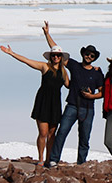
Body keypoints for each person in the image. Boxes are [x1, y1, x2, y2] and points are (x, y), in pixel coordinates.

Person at [42, 21, 104, 166]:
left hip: (88, 109)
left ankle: (81, 164)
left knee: (84, 138)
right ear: (83, 54)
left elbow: (102, 92)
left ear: (94, 57)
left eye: (92, 55)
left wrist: (92, 96)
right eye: (87, 54)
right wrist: (47, 34)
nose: (89, 57)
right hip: (72, 106)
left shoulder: (97, 73)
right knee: (61, 132)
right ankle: (53, 160)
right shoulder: (74, 65)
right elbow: (57, 52)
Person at [0, 43, 69, 166]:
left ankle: (49, 160)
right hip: (43, 102)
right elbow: (27, 61)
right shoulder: (44, 67)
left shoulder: (63, 72)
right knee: (43, 133)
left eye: (58, 55)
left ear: (61, 57)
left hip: (55, 104)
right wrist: (12, 53)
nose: (56, 57)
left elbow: (70, 85)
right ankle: (41, 158)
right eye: (53, 55)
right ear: (50, 56)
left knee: (52, 134)